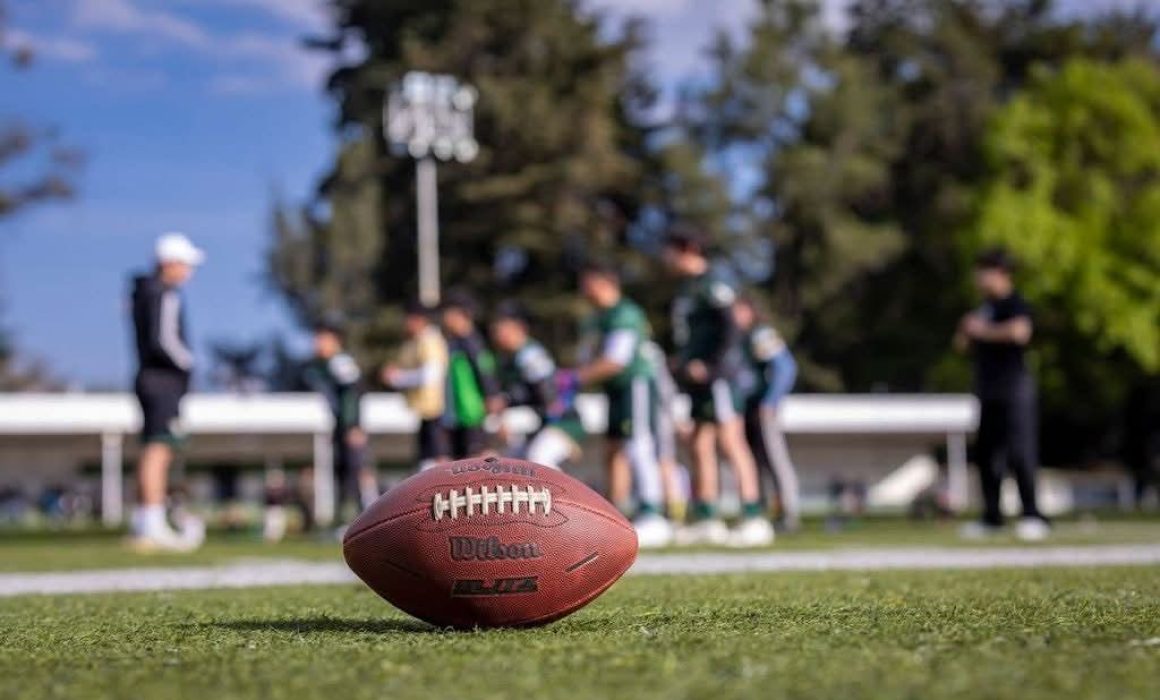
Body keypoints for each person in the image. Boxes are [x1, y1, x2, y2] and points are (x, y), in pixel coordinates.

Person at [663, 227, 772, 547]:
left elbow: (731, 328)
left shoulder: (714, 284)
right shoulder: (687, 289)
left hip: (719, 378)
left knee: (731, 441)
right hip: (696, 381)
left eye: (670, 251)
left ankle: (753, 516)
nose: (665, 258)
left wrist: (712, 366)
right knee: (699, 444)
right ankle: (708, 517)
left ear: (687, 250)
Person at [575, 261, 674, 548]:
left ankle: (651, 511)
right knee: (613, 449)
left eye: (588, 283)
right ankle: (615, 515)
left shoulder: (626, 314)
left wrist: (574, 378)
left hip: (635, 384)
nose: (584, 290)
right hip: (614, 389)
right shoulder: (596, 318)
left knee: (637, 444)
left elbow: (615, 361)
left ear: (605, 282)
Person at [954, 248, 1048, 541]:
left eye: (984, 271)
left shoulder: (1014, 303)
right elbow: (961, 345)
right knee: (987, 454)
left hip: (1015, 387)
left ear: (1000, 273)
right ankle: (991, 517)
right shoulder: (983, 307)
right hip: (988, 389)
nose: (979, 278)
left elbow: (1020, 333)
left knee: (1021, 452)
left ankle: (1032, 515)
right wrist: (967, 332)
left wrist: (982, 331)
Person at [127, 232, 206, 552]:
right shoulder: (165, 294)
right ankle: (153, 522)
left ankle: (146, 519)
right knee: (159, 450)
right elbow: (165, 339)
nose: (189, 271)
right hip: (163, 381)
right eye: (185, 264)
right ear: (169, 263)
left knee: (152, 448)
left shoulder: (143, 292)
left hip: (148, 377)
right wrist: (189, 364)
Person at [488, 300, 585, 469]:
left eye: (502, 328)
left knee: (539, 459)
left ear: (518, 328)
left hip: (562, 422)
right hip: (539, 424)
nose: (497, 334)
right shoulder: (506, 358)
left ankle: (561, 495)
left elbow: (547, 396)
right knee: (509, 463)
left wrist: (507, 403)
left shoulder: (530, 355)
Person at [733, 296, 801, 532]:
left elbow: (785, 368)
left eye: (738, 310)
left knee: (774, 459)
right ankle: (759, 512)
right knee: (753, 461)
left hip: (763, 407)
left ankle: (788, 512)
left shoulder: (760, 334)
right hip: (746, 407)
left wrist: (770, 401)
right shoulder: (738, 337)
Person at [303, 320, 377, 525]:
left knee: (354, 472)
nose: (316, 343)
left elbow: (354, 392)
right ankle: (349, 521)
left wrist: (354, 426)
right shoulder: (322, 366)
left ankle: (362, 521)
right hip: (340, 426)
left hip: (349, 427)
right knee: (342, 472)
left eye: (321, 339)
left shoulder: (341, 363)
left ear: (334, 341)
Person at [382, 300, 449, 470]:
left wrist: (398, 378)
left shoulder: (430, 340)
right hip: (425, 412)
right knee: (425, 463)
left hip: (437, 411)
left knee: (436, 464)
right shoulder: (414, 341)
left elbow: (431, 375)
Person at [440, 289, 501, 459]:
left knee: (478, 460)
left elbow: (485, 371)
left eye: (449, 313)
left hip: (472, 413)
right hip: (456, 415)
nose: (445, 318)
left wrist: (491, 395)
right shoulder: (453, 343)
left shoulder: (473, 343)